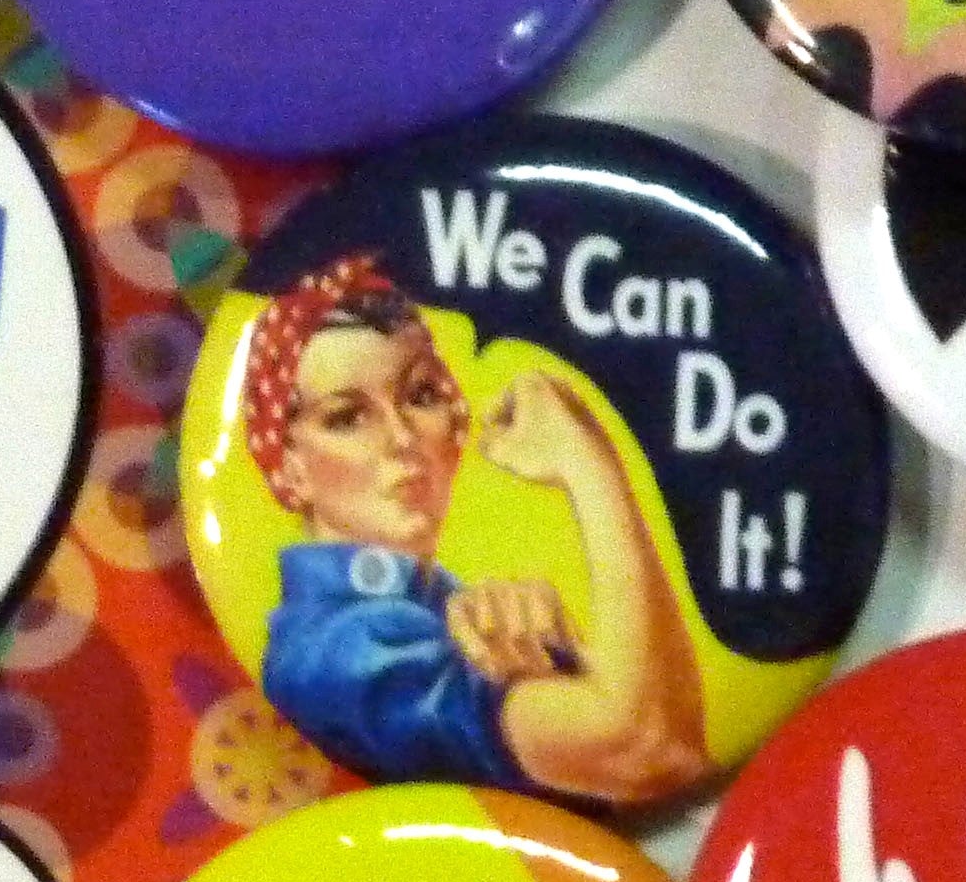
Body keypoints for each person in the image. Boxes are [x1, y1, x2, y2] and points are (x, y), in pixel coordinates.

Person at [238, 253, 707, 804]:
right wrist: (591, 469)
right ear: (289, 466)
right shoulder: (339, 651)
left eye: (420, 396)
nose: (402, 439)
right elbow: (646, 749)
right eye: (346, 417)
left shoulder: (437, 604)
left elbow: (678, 745)